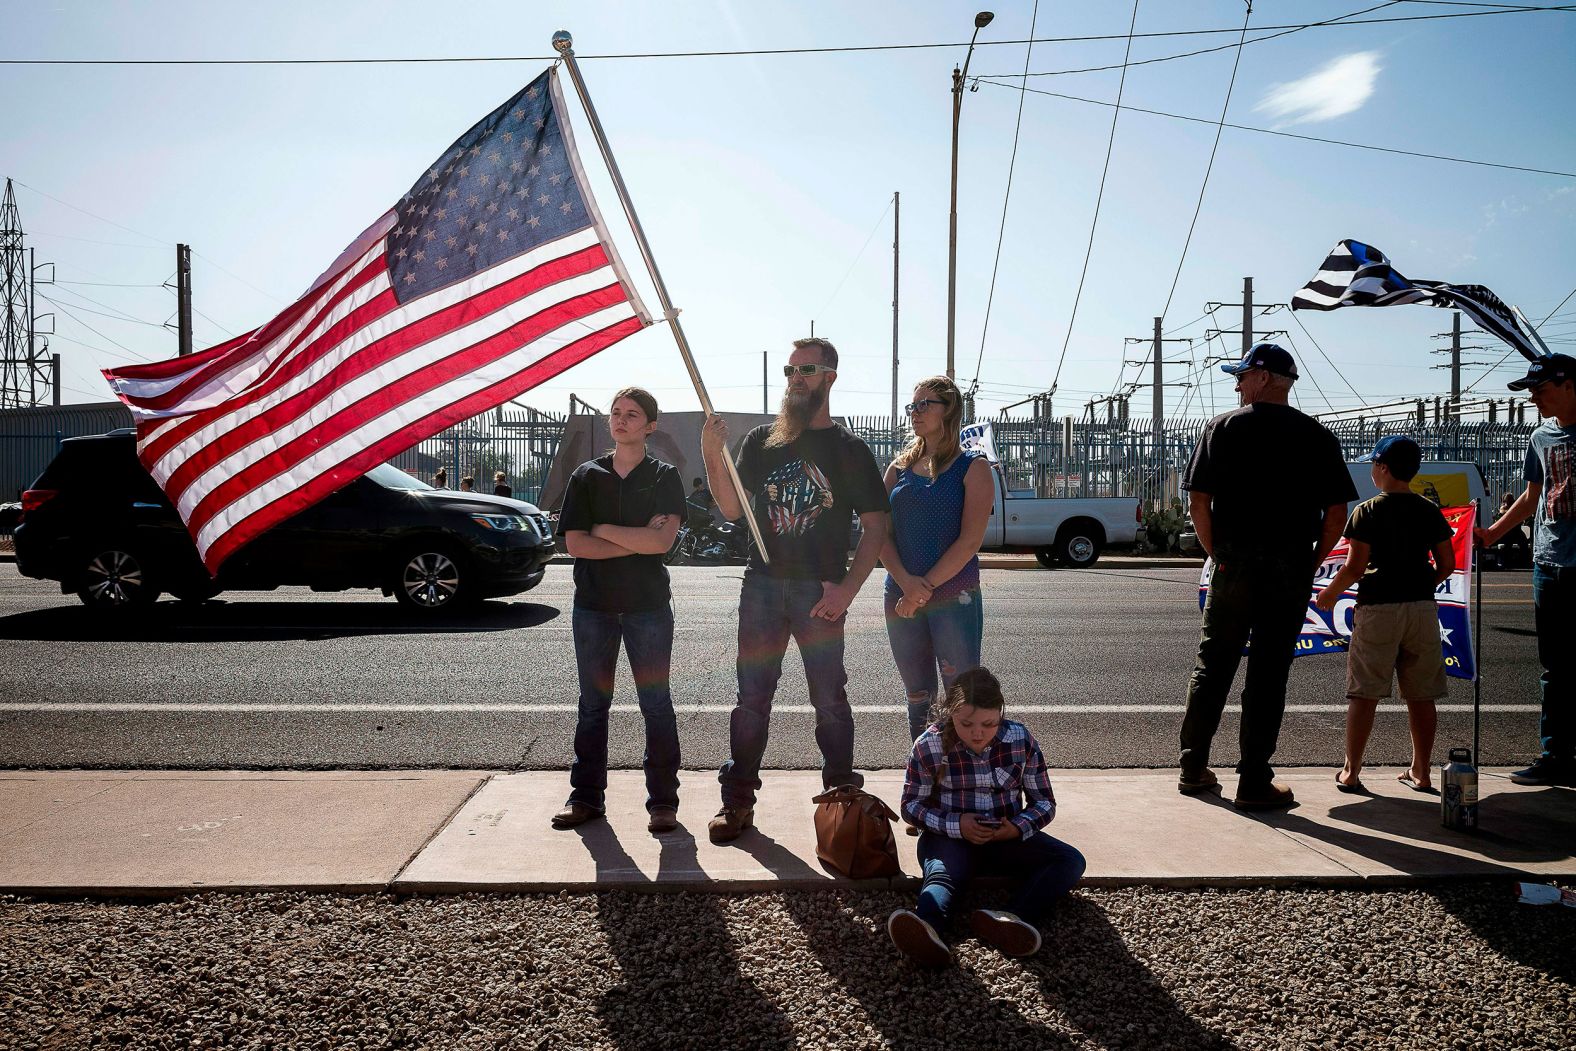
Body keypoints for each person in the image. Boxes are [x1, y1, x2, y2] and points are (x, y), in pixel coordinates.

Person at [699, 336, 890, 844]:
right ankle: (737, 804)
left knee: (830, 701)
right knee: (751, 700)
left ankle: (843, 803)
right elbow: (732, 508)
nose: (795, 378)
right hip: (761, 584)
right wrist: (712, 456)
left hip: (819, 592)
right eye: (789, 370)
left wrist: (848, 590)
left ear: (830, 375)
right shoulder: (765, 439)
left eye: (805, 369)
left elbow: (875, 526)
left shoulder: (849, 450)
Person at [1179, 343, 1358, 810]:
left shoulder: (1222, 427)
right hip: (1289, 566)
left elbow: (1199, 502)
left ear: (1262, 377)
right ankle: (1254, 779)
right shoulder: (1317, 435)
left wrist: (1218, 553)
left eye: (1241, 375)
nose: (1237, 384)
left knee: (1213, 664)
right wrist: (1313, 558)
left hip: (1235, 563)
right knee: (1269, 672)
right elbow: (1336, 512)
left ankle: (1193, 766)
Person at [553, 387, 686, 833]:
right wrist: (635, 541)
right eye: (615, 413)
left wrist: (603, 530)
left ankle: (663, 803)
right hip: (594, 608)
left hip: (648, 608)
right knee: (593, 706)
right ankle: (586, 798)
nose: (621, 420)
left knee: (657, 706)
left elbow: (661, 543)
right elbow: (574, 544)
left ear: (650, 425)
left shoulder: (664, 476)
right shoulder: (586, 477)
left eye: (632, 414)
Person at [888, 668, 1085, 968]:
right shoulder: (928, 745)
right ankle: (926, 929)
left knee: (1070, 861)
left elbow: (1044, 802)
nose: (977, 733)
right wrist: (958, 825)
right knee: (942, 875)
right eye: (966, 723)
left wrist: (1015, 829)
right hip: (948, 839)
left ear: (1001, 715)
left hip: (1004, 837)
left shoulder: (1021, 739)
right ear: (950, 712)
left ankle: (1009, 919)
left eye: (989, 723)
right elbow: (911, 807)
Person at [1315, 436, 1455, 793]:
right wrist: (1421, 584)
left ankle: (1351, 770)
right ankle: (1421, 771)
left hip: (1378, 609)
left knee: (1365, 693)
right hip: (1422, 609)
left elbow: (1354, 567)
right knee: (1421, 695)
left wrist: (1327, 596)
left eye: (1374, 465)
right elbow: (1447, 564)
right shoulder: (1428, 510)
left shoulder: (1367, 511)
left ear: (1383, 468)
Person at [1474, 353, 1576, 786]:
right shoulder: (1541, 437)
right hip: (1549, 563)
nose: (1534, 397)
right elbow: (1532, 497)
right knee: (1554, 667)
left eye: (1540, 388)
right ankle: (1556, 755)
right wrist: (1491, 534)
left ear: (1568, 384)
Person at [880, 375, 995, 741]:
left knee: (960, 694)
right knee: (917, 694)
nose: (915, 412)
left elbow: (969, 540)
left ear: (950, 411)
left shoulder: (972, 468)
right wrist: (907, 585)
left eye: (925, 404)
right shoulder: (897, 470)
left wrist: (923, 587)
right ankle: (924, 767)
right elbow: (879, 534)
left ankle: (959, 772)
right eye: (912, 406)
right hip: (899, 592)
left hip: (953, 594)